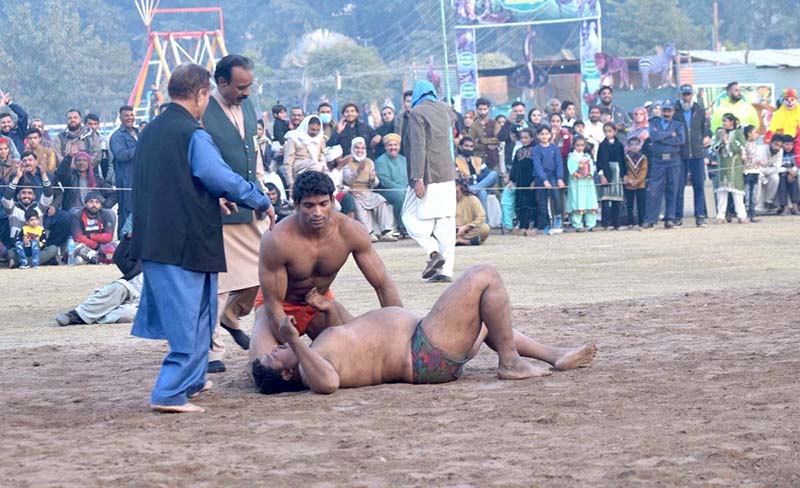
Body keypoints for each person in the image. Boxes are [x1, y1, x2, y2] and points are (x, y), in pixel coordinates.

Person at [131, 63, 273, 413]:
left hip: (164, 238)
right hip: (181, 242)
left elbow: (178, 181)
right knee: (187, 322)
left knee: (202, 314)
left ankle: (192, 381)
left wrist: (211, 197)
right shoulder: (192, 133)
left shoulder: (151, 131)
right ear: (201, 94)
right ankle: (168, 393)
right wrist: (259, 198)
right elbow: (218, 175)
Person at [253, 264, 597, 395]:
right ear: (286, 374)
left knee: (489, 318)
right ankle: (510, 363)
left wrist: (332, 308)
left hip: (424, 344)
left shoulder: (319, 353)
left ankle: (554, 355)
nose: (274, 348)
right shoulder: (312, 369)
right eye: (273, 356)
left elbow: (353, 335)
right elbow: (327, 383)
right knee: (484, 276)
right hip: (422, 351)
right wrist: (294, 341)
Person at [249, 170, 403, 378]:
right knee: (266, 374)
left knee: (357, 357)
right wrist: (291, 345)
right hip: (278, 307)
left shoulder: (351, 231)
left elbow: (382, 284)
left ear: (332, 200)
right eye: (309, 206)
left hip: (318, 304)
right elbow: (273, 304)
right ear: (296, 205)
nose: (317, 212)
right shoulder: (277, 239)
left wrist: (402, 330)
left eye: (323, 204)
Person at [201, 54, 274, 373]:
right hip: (218, 209)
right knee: (218, 285)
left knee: (265, 274)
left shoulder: (248, 105)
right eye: (241, 87)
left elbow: (252, 149)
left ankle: (234, 316)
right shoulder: (202, 110)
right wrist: (211, 195)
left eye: (249, 86)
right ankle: (212, 352)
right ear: (221, 82)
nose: (246, 93)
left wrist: (261, 187)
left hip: (250, 203)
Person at [402, 80, 457, 283]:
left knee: (409, 218)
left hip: (427, 176)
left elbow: (419, 147)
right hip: (447, 174)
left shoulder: (417, 113)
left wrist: (417, 178)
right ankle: (445, 271)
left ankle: (433, 253)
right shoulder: (446, 110)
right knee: (445, 224)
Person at [57, 215, 142, 326]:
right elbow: (120, 259)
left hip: (149, 301)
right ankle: (77, 315)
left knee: (128, 314)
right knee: (121, 285)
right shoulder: (144, 260)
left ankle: (97, 318)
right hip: (132, 289)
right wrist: (128, 238)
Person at [2, 154, 58, 268]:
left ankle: (25, 262)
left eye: (29, 193)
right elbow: (7, 197)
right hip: (19, 248)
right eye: (23, 193)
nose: (26, 196)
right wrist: (17, 178)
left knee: (53, 249)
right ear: (18, 195)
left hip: (37, 248)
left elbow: (48, 195)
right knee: (10, 252)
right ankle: (33, 262)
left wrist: (43, 174)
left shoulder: (39, 208)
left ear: (33, 196)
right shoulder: (12, 210)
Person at [343, 137, 397, 242]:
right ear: (352, 149)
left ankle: (385, 231)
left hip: (368, 191)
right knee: (357, 203)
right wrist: (358, 171)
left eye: (362, 148)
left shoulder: (369, 162)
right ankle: (368, 232)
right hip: (354, 191)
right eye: (357, 148)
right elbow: (348, 180)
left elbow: (375, 183)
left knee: (381, 200)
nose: (360, 150)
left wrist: (373, 179)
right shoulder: (347, 161)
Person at [642, 100, 685, 229]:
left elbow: (681, 140)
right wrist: (669, 135)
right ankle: (650, 219)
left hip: (674, 160)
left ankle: (670, 219)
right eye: (664, 110)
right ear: (661, 111)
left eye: (669, 110)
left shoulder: (678, 125)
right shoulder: (653, 122)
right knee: (654, 190)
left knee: (673, 189)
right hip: (658, 161)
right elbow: (653, 136)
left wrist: (662, 139)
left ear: (673, 111)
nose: (666, 113)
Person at [674, 84, 711, 227]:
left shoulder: (699, 110)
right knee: (679, 187)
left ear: (692, 95)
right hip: (680, 154)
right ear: (680, 95)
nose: (686, 97)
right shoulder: (675, 111)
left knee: (699, 186)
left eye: (688, 94)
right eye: (684, 94)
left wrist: (707, 136)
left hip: (697, 153)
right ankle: (678, 216)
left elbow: (706, 128)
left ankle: (700, 215)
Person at [711, 114, 747, 223]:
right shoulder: (719, 133)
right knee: (721, 193)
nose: (723, 123)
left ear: (731, 122)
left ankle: (742, 215)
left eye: (725, 121)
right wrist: (722, 141)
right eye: (722, 121)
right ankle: (720, 216)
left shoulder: (738, 133)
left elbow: (741, 146)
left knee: (737, 194)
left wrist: (728, 143)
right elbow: (714, 148)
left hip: (734, 166)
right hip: (722, 165)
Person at [109, 105, 139, 236]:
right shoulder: (117, 136)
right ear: (120, 118)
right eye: (126, 115)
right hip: (126, 178)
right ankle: (124, 242)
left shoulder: (139, 132)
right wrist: (140, 148)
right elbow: (121, 155)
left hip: (141, 176)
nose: (129, 118)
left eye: (131, 115)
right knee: (127, 209)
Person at [373, 133, 408, 236]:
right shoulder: (380, 161)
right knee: (400, 195)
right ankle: (402, 226)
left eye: (395, 145)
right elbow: (385, 181)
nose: (393, 148)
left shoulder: (404, 160)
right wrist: (402, 188)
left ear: (399, 146)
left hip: (405, 189)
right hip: (387, 191)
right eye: (390, 145)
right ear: (385, 147)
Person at [532, 126, 565, 234]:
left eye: (546, 134)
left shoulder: (554, 148)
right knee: (541, 201)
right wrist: (544, 180)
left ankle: (558, 217)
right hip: (540, 177)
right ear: (538, 136)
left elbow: (559, 163)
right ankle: (545, 224)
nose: (544, 136)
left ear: (550, 135)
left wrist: (560, 178)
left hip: (553, 176)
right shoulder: (536, 149)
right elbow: (538, 166)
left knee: (556, 195)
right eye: (542, 134)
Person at [454, 136, 500, 211]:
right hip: (466, 188)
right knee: (482, 192)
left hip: (477, 186)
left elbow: (487, 174)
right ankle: (485, 221)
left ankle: (476, 188)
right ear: (460, 147)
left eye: (471, 146)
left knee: (494, 174)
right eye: (466, 146)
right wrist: (477, 178)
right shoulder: (456, 161)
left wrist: (473, 177)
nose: (469, 148)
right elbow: (460, 178)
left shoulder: (478, 160)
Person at [70, 191, 116, 264]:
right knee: (77, 246)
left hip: (102, 245)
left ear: (101, 205)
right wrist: (95, 244)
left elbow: (108, 236)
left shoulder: (106, 214)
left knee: (117, 244)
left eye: (97, 202)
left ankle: (92, 258)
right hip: (85, 245)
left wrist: (90, 236)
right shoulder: (77, 215)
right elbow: (78, 238)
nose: (94, 205)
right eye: (91, 202)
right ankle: (96, 257)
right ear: (85, 204)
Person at [596, 123, 626, 230]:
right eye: (606, 131)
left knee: (616, 200)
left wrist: (624, 174)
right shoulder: (602, 145)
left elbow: (623, 161)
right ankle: (605, 223)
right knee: (605, 200)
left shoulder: (620, 145)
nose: (608, 133)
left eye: (610, 131)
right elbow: (599, 161)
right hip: (606, 172)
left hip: (617, 173)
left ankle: (616, 223)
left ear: (615, 132)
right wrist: (602, 175)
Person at [284, 115, 325, 193]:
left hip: (316, 171)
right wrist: (290, 183)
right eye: (312, 129)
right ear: (306, 127)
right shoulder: (294, 138)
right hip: (299, 169)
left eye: (317, 130)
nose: (315, 132)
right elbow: (288, 162)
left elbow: (322, 157)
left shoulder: (320, 139)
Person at [566, 136, 599, 231]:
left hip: (587, 182)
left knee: (589, 201)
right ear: (574, 145)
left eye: (582, 145)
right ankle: (577, 224)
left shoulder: (587, 157)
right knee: (577, 201)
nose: (580, 147)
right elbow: (571, 170)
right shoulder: (571, 157)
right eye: (577, 145)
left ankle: (590, 224)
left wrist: (589, 173)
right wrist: (579, 171)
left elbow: (591, 168)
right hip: (577, 183)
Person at [509, 128, 537, 235]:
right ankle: (522, 225)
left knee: (531, 202)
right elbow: (515, 167)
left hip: (531, 181)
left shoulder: (535, 150)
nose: (524, 140)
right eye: (522, 138)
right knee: (520, 202)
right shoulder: (519, 151)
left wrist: (534, 180)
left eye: (526, 138)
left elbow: (536, 167)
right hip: (520, 181)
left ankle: (532, 225)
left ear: (532, 138)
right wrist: (512, 180)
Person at [751, 135, 783, 213]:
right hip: (757, 173)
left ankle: (769, 202)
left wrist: (766, 171)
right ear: (770, 143)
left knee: (775, 178)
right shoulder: (760, 150)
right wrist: (764, 173)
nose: (777, 148)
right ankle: (756, 206)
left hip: (768, 173)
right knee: (758, 178)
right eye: (776, 144)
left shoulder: (780, 151)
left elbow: (777, 168)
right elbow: (755, 167)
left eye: (780, 146)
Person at [455, 179, 490, 246]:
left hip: (467, 231)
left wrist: (466, 227)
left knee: (485, 228)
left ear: (458, 186)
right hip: (451, 231)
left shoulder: (472, 199)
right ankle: (465, 242)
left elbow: (481, 217)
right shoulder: (446, 201)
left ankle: (459, 241)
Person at [468, 98, 501, 169]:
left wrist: (482, 140)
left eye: (485, 109)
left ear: (488, 109)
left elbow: (498, 139)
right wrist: (487, 145)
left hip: (493, 159)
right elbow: (471, 143)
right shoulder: (473, 125)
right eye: (480, 109)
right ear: (476, 109)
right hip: (479, 159)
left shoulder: (494, 123)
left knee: (494, 177)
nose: (482, 112)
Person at [623, 137, 649, 228]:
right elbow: (625, 170)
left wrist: (638, 180)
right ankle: (631, 222)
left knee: (641, 204)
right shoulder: (626, 157)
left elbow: (644, 170)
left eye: (636, 144)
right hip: (629, 184)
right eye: (632, 145)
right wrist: (629, 180)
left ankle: (642, 221)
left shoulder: (643, 157)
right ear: (628, 146)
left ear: (640, 146)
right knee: (629, 204)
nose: (634, 147)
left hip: (640, 184)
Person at [776, 135, 799, 215]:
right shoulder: (779, 153)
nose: (789, 147)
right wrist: (788, 170)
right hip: (781, 173)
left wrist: (792, 172)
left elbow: (796, 165)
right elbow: (777, 166)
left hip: (792, 173)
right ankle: (784, 206)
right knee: (783, 181)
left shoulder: (793, 153)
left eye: (791, 144)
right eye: (787, 144)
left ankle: (795, 206)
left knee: (794, 180)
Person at [397, 90, 414, 157]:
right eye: (408, 101)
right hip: (403, 154)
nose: (410, 104)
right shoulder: (399, 119)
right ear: (404, 103)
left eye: (412, 101)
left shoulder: (422, 118)